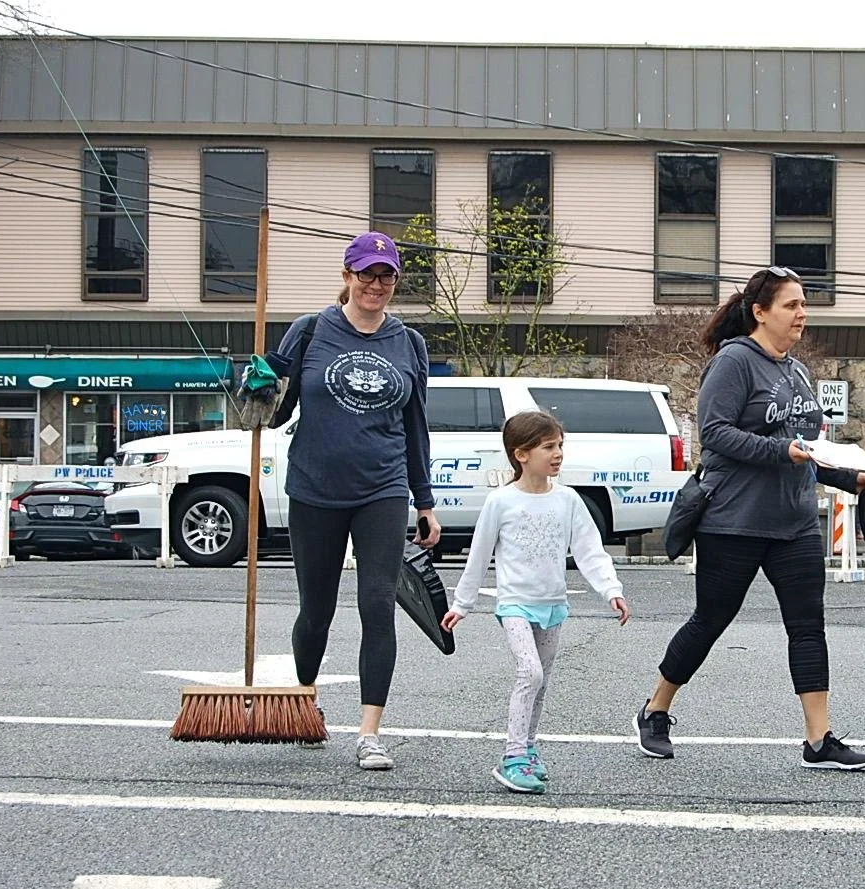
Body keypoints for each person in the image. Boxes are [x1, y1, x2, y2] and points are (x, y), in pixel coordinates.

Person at [634, 266, 865, 771]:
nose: (801, 314)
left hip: (793, 524)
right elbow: (717, 433)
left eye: (803, 305)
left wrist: (851, 478)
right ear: (760, 312)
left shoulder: (796, 371)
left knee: (808, 625)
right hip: (733, 521)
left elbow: (808, 449)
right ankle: (656, 709)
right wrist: (782, 451)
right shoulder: (734, 363)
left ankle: (819, 740)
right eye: (791, 305)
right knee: (711, 620)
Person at [268, 230, 440, 772]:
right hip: (315, 488)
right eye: (366, 273)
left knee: (376, 606)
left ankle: (369, 731)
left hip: (382, 489)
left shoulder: (409, 344)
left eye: (386, 275)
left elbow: (416, 427)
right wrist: (258, 385)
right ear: (347, 275)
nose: (376, 284)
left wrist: (424, 499)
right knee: (315, 610)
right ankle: (304, 704)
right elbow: (272, 415)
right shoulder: (310, 330)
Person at [443, 410, 630, 795]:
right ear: (521, 454)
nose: (558, 453)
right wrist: (462, 604)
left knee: (541, 684)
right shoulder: (501, 502)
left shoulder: (569, 500)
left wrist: (611, 590)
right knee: (531, 674)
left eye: (560, 445)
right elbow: (478, 556)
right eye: (548, 446)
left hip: (553, 604)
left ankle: (528, 748)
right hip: (514, 603)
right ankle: (511, 756)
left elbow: (590, 550)